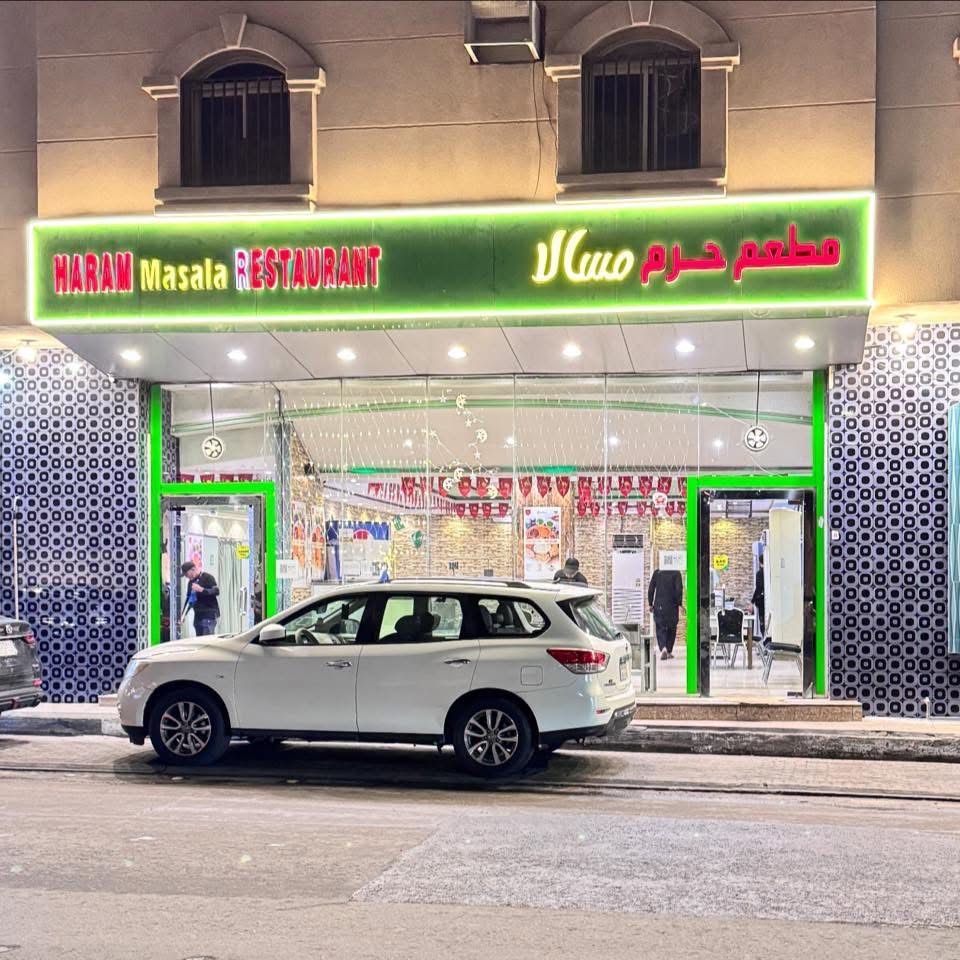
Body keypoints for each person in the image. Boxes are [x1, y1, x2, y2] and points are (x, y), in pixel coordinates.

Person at [648, 568, 684, 660]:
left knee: (660, 627)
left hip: (659, 605)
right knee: (672, 627)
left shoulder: (657, 572)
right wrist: (679, 603)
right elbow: (679, 589)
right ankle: (668, 651)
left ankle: (663, 648)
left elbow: (651, 588)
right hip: (672, 605)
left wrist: (650, 603)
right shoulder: (676, 572)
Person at [179, 561, 220, 636]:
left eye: (187, 574)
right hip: (198, 616)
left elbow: (216, 591)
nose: (187, 577)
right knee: (199, 640)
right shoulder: (190, 583)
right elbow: (189, 600)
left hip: (209, 615)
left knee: (207, 640)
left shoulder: (208, 577)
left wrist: (201, 590)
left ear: (193, 569)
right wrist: (183, 614)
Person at [752, 555, 766, 639]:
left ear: (760, 562)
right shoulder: (770, 572)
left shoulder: (760, 573)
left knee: (762, 621)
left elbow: (758, 588)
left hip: (761, 601)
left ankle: (764, 638)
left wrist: (752, 601)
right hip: (770, 601)